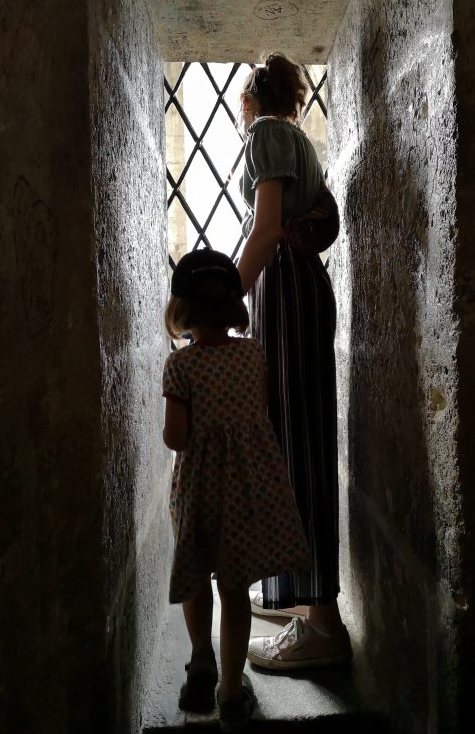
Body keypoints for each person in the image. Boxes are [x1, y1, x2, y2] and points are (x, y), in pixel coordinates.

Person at [162, 248, 311, 732]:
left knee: (196, 574)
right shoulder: (251, 354)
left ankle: (201, 661)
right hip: (247, 488)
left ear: (180, 310)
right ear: (233, 306)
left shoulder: (181, 368)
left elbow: (176, 438)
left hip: (199, 490)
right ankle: (230, 692)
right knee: (234, 589)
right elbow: (256, 414)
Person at [236, 53, 353, 670]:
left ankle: (323, 625)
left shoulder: (265, 135)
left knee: (296, 447)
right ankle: (303, 601)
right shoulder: (298, 139)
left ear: (251, 100)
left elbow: (266, 228)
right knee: (298, 438)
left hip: (285, 292)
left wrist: (221, 298)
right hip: (298, 291)